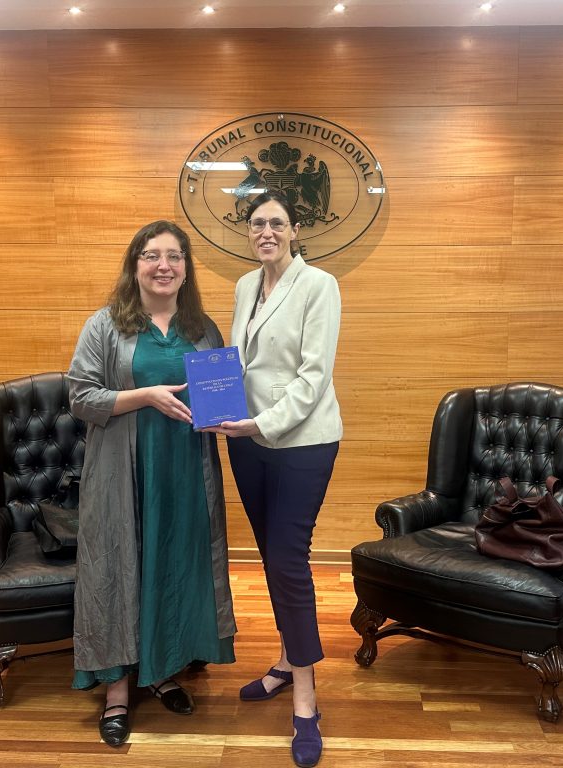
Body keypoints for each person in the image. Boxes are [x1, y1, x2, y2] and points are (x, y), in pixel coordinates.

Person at [68, 220, 236, 748]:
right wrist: (146, 396)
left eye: (174, 256)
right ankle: (117, 691)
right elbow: (80, 397)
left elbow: (217, 399)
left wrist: (229, 413)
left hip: (186, 471)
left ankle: (162, 671)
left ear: (186, 268)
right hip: (122, 473)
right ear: (134, 265)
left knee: (174, 565)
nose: (163, 265)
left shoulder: (203, 328)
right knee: (119, 568)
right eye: (151, 255)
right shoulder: (104, 325)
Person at [209, 190, 341, 768]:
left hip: (301, 441)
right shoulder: (244, 286)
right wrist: (215, 403)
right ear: (249, 231)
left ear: (295, 229)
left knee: (289, 560)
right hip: (246, 439)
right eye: (258, 223)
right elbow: (238, 363)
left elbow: (314, 378)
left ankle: (305, 699)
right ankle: (287, 660)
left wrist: (260, 423)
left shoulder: (319, 285)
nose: (267, 231)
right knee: (271, 556)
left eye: (277, 223)